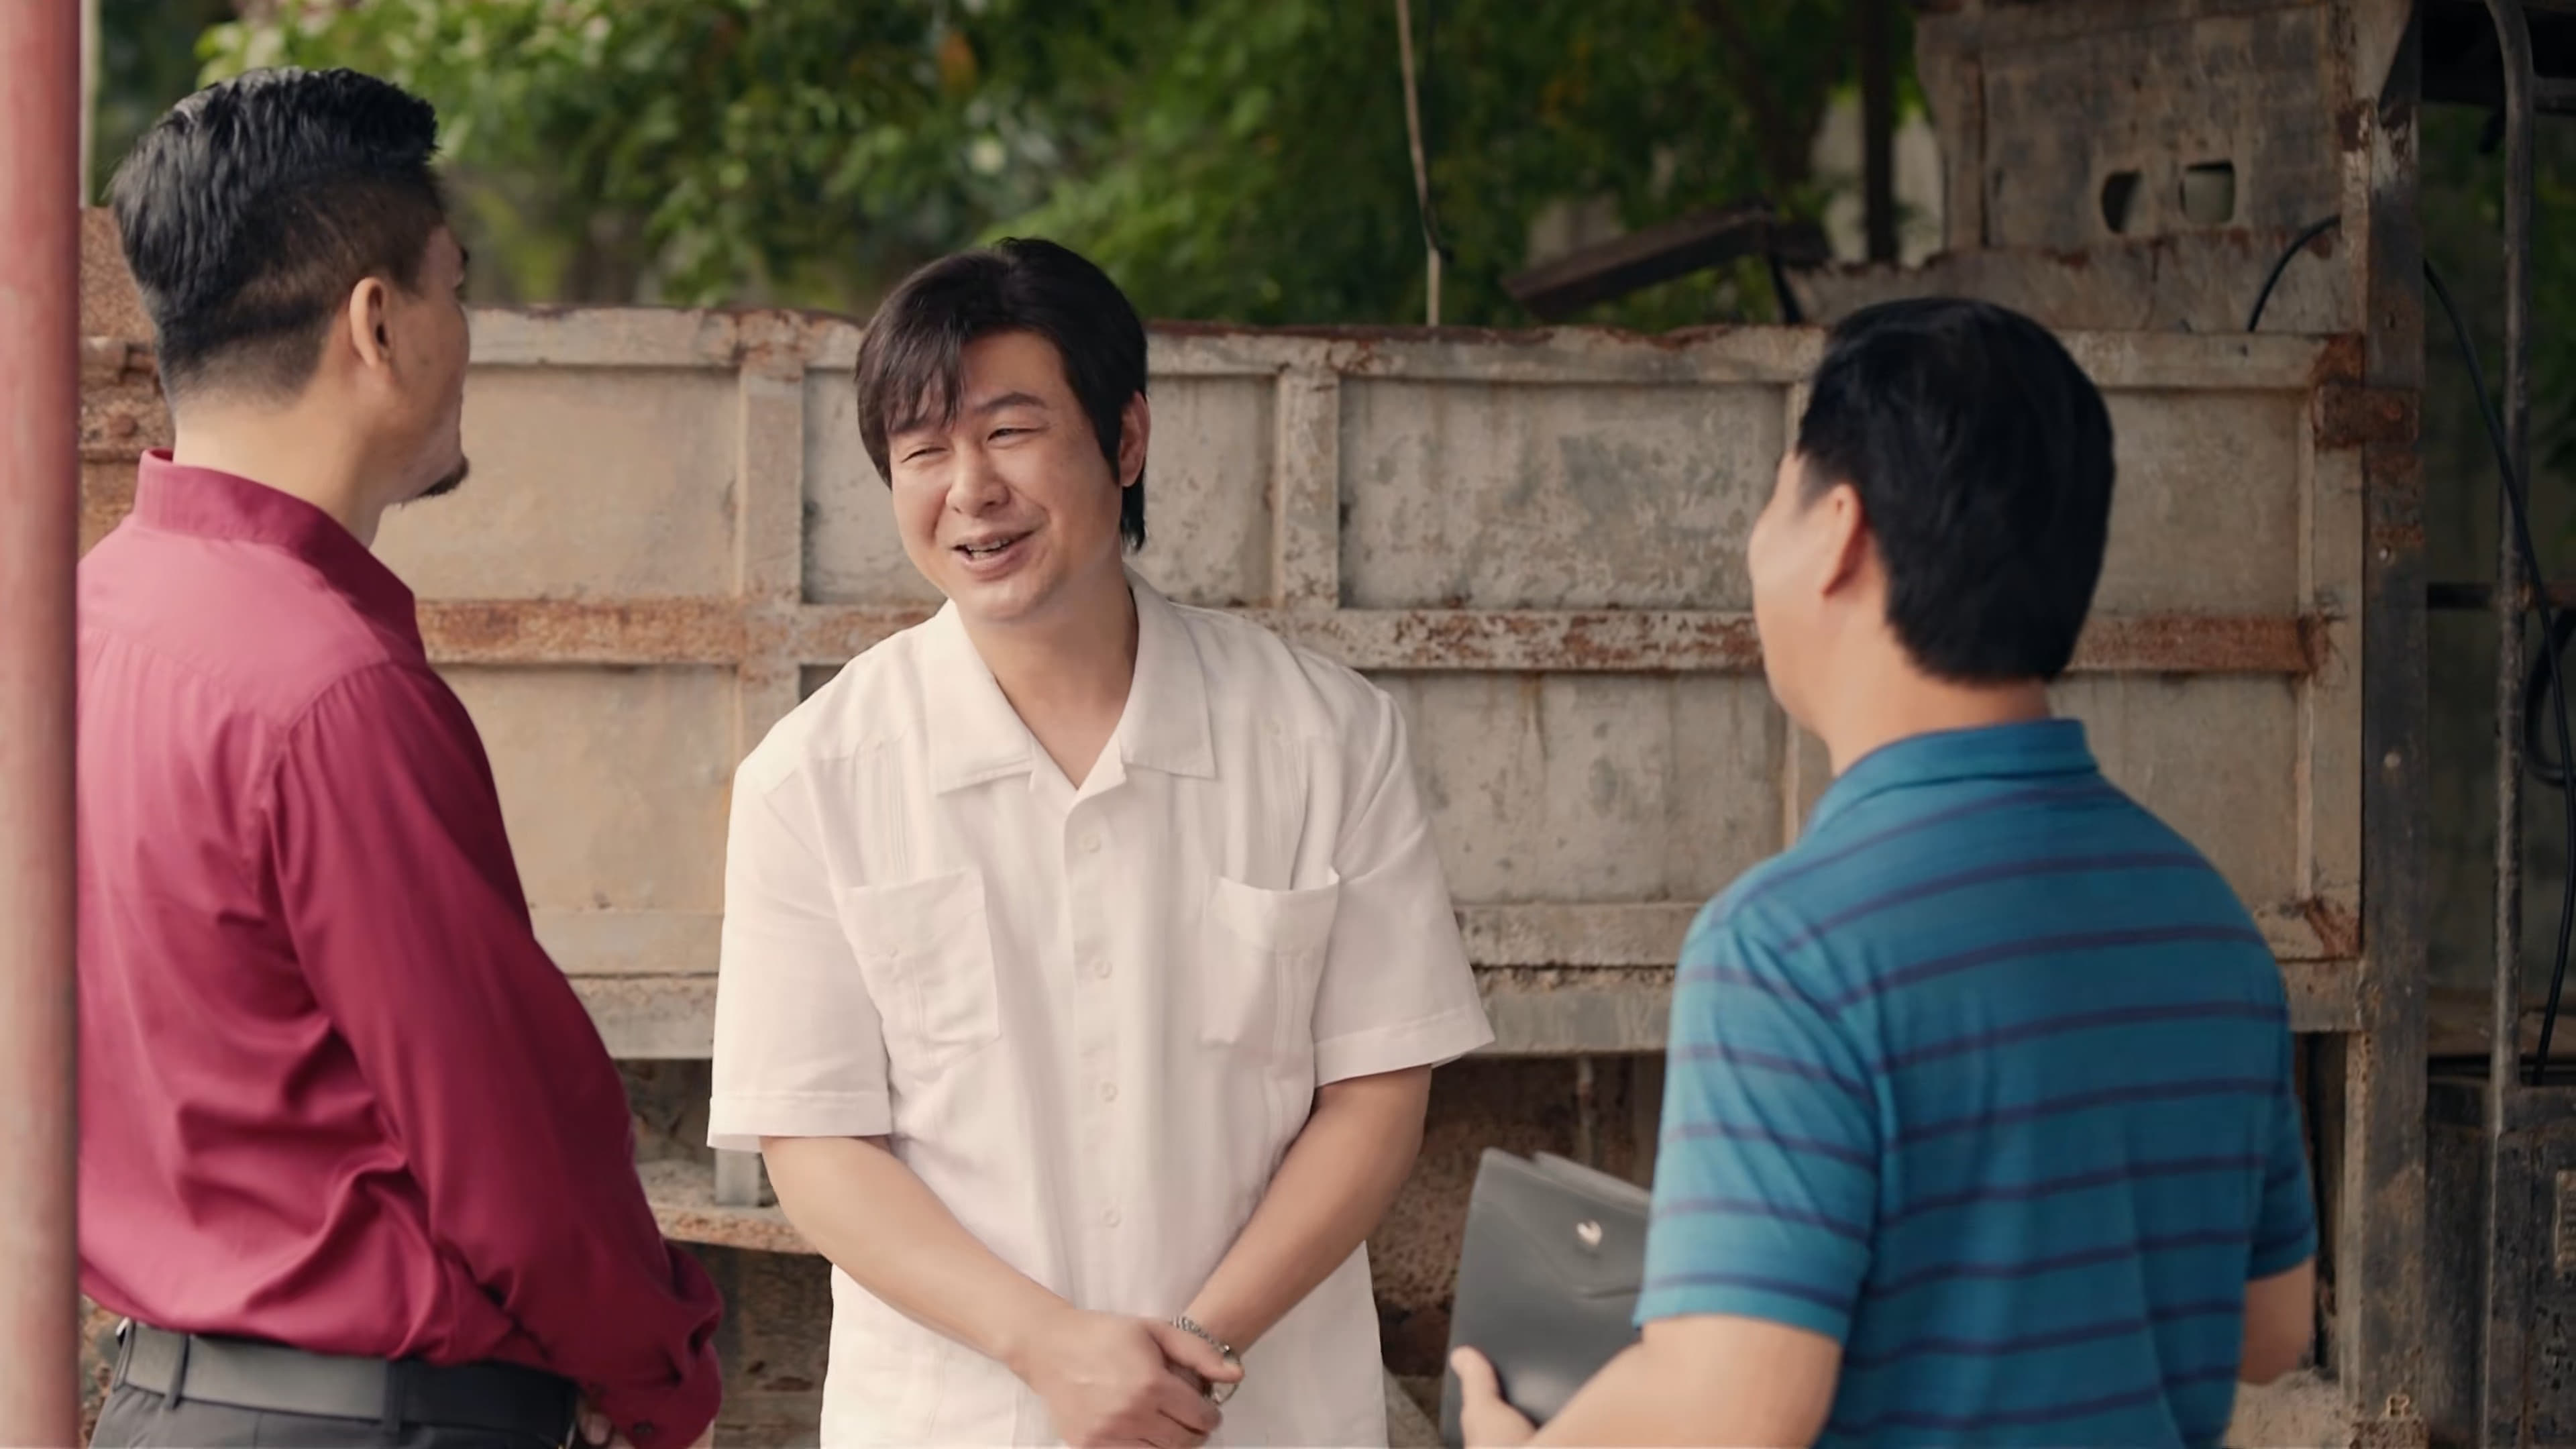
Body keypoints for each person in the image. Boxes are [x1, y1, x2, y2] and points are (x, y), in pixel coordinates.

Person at [1452, 298, 2316, 1447]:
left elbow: (1731, 1409)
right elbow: (2271, 1328)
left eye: (1775, 497)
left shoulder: (1790, 949)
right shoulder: (2208, 928)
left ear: (1838, 532)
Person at [708, 237, 1493, 1447]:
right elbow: (817, 1143)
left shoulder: (1325, 737)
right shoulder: (813, 779)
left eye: (1011, 431)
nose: (970, 489)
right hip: (963, 1420)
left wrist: (1193, 1354)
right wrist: (1048, 1348)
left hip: (1266, 1416)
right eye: (924, 451)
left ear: (1126, 440)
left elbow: (1377, 1092)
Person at [80, 68, 722, 1449]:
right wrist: (665, 1378)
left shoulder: (74, 632)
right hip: (370, 1421)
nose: (465, 337)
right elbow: (512, 1153)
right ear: (379, 323)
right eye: (456, 289)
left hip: (157, 1403)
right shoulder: (331, 689)